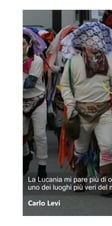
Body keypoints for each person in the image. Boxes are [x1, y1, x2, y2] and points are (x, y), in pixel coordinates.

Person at [59, 22, 112, 196]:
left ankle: (105, 183)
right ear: (82, 41)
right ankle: (80, 177)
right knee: (81, 148)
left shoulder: (109, 62)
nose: (95, 42)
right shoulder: (73, 63)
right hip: (80, 112)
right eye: (90, 38)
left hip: (104, 112)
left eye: (98, 38)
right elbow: (64, 85)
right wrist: (70, 104)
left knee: (107, 146)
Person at [23, 29, 48, 179]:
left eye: (22, 43)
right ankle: (26, 155)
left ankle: (42, 165)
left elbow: (30, 83)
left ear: (29, 44)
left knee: (40, 135)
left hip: (37, 101)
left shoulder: (37, 60)